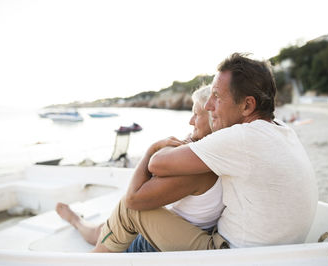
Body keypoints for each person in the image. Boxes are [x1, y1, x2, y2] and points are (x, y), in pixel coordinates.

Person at [90, 52, 318, 252]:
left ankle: (93, 261)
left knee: (130, 210)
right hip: (280, 253)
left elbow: (157, 165)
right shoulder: (282, 132)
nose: (209, 105)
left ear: (247, 106)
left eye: (217, 97)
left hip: (231, 256)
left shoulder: (242, 137)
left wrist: (154, 147)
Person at [56, 86, 225, 252]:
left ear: (213, 116)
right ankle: (76, 220)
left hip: (164, 240)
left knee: (120, 216)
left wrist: (152, 149)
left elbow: (135, 196)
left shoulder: (196, 166)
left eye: (196, 114)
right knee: (102, 229)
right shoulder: (224, 152)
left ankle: (84, 241)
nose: (190, 121)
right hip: (176, 227)